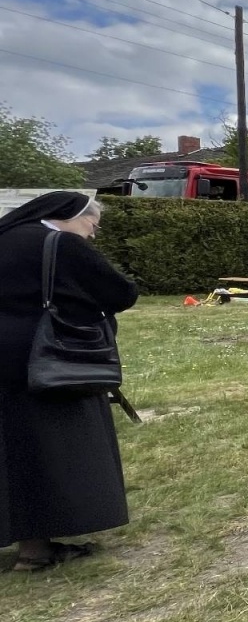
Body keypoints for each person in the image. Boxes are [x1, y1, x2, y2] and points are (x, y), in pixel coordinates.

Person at [0, 192, 138, 572]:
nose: (91, 236)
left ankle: (32, 546)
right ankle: (37, 551)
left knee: (11, 454)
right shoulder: (59, 243)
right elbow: (119, 292)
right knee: (54, 451)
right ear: (71, 216)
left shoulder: (4, 237)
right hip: (46, 362)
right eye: (91, 226)